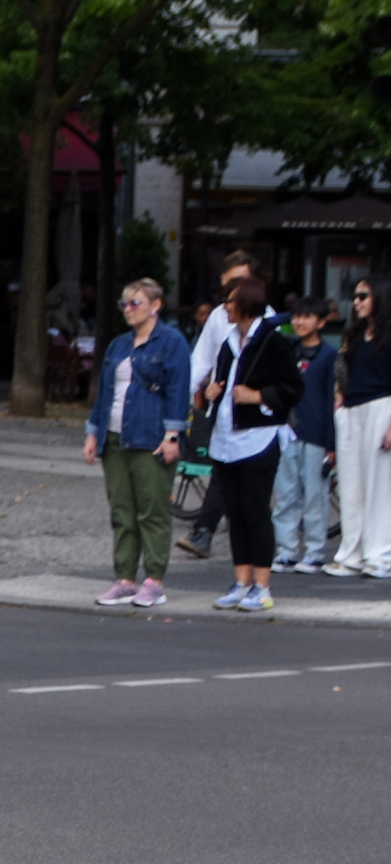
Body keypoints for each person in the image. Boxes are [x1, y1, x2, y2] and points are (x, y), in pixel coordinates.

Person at [82, 278, 192, 609]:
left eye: (135, 303)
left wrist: (173, 435)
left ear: (156, 305)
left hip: (151, 436)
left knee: (152, 510)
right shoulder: (118, 345)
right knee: (122, 511)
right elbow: (105, 392)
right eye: (124, 304)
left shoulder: (171, 342)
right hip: (115, 435)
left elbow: (178, 389)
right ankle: (125, 579)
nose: (128, 310)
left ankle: (154, 580)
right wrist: (93, 432)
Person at [201, 275, 302, 611]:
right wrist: (212, 392)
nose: (224, 308)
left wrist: (258, 396)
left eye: (229, 301)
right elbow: (224, 380)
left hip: (259, 437)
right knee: (235, 512)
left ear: (244, 304)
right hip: (226, 436)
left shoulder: (272, 341)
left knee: (256, 510)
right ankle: (240, 580)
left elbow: (293, 388)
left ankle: (262, 584)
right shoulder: (229, 340)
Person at [177, 252, 261, 559]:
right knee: (224, 471)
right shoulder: (217, 318)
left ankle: (210, 532)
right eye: (232, 283)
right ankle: (207, 532)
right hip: (222, 409)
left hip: (255, 414)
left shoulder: (267, 318)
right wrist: (180, 399)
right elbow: (199, 362)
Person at [329, 277, 391, 578]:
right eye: (355, 296)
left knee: (379, 487)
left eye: (364, 295)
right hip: (352, 410)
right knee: (351, 484)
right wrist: (339, 397)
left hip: (382, 407)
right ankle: (351, 554)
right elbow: (342, 371)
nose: (357, 301)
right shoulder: (353, 335)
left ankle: (379, 556)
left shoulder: (388, 335)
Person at [273, 297, 337, 574]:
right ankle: (286, 550)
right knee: (285, 493)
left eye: (307, 317)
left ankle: (314, 551)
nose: (299, 322)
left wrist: (331, 444)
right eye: (296, 316)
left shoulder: (329, 355)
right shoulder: (288, 349)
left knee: (315, 495)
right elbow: (268, 327)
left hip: (317, 435)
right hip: (287, 431)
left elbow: (331, 402)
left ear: (322, 322)